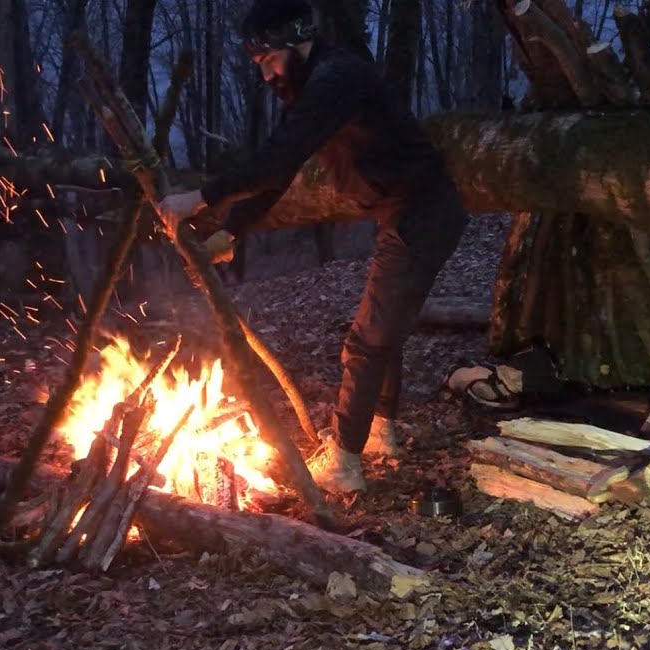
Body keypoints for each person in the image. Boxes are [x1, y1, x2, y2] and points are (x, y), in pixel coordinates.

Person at [155, 0, 469, 494]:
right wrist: (232, 230)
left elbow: (274, 162)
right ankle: (379, 434)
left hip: (423, 216)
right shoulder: (319, 86)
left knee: (367, 341)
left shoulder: (336, 80)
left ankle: (344, 463)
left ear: (295, 42)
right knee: (384, 332)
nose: (265, 76)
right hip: (408, 214)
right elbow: (283, 175)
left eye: (267, 60)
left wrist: (200, 197)